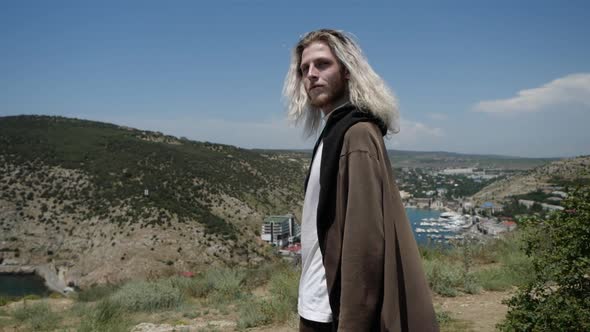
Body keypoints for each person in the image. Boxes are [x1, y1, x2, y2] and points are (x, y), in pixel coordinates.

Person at [283, 29, 439, 331]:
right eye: (304, 69)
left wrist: (353, 323)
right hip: (319, 303)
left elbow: (364, 243)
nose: (311, 75)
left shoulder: (357, 135)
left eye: (322, 64)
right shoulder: (334, 133)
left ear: (347, 70)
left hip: (332, 314)